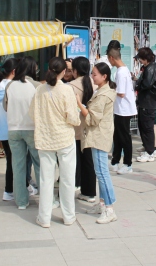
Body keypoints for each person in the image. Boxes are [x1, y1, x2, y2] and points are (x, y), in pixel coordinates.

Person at [29, 57, 81, 228]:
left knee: (45, 179)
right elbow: (73, 117)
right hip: (64, 138)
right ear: (64, 71)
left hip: (45, 138)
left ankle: (44, 217)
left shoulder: (39, 90)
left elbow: (32, 113)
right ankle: (68, 216)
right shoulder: (66, 90)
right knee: (67, 179)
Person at [75, 62, 118, 224]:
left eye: (94, 74)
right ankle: (102, 204)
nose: (92, 77)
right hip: (99, 135)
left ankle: (109, 208)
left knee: (102, 173)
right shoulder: (101, 91)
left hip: (99, 136)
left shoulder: (103, 95)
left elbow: (93, 119)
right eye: (92, 73)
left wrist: (79, 104)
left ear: (104, 76)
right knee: (100, 171)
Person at [6, 57, 40, 210]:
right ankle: (46, 199)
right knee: (39, 164)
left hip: (13, 128)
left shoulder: (9, 85)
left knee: (18, 165)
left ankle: (21, 201)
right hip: (31, 128)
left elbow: (6, 106)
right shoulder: (36, 86)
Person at [0, 59, 26, 201]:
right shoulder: (12, 86)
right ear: (14, 71)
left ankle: (13, 189)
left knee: (11, 159)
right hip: (12, 127)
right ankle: (9, 190)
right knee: (15, 161)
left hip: (1, 128)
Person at [70, 57, 97, 203]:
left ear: (75, 70)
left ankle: (74, 186)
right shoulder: (94, 84)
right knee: (88, 160)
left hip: (75, 128)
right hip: (91, 127)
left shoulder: (71, 86)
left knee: (75, 160)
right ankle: (89, 192)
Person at [108, 47, 137, 175]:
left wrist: (109, 91)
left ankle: (128, 164)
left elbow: (121, 92)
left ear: (112, 58)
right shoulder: (123, 70)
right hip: (120, 109)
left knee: (124, 137)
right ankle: (115, 161)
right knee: (118, 136)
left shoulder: (121, 72)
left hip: (124, 109)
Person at [135, 47, 156, 163]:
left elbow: (146, 84)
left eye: (141, 59)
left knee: (147, 127)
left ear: (145, 59)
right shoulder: (150, 68)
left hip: (148, 102)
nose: (140, 61)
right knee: (148, 126)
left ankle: (150, 151)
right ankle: (151, 148)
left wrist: (137, 83)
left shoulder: (150, 69)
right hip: (148, 102)